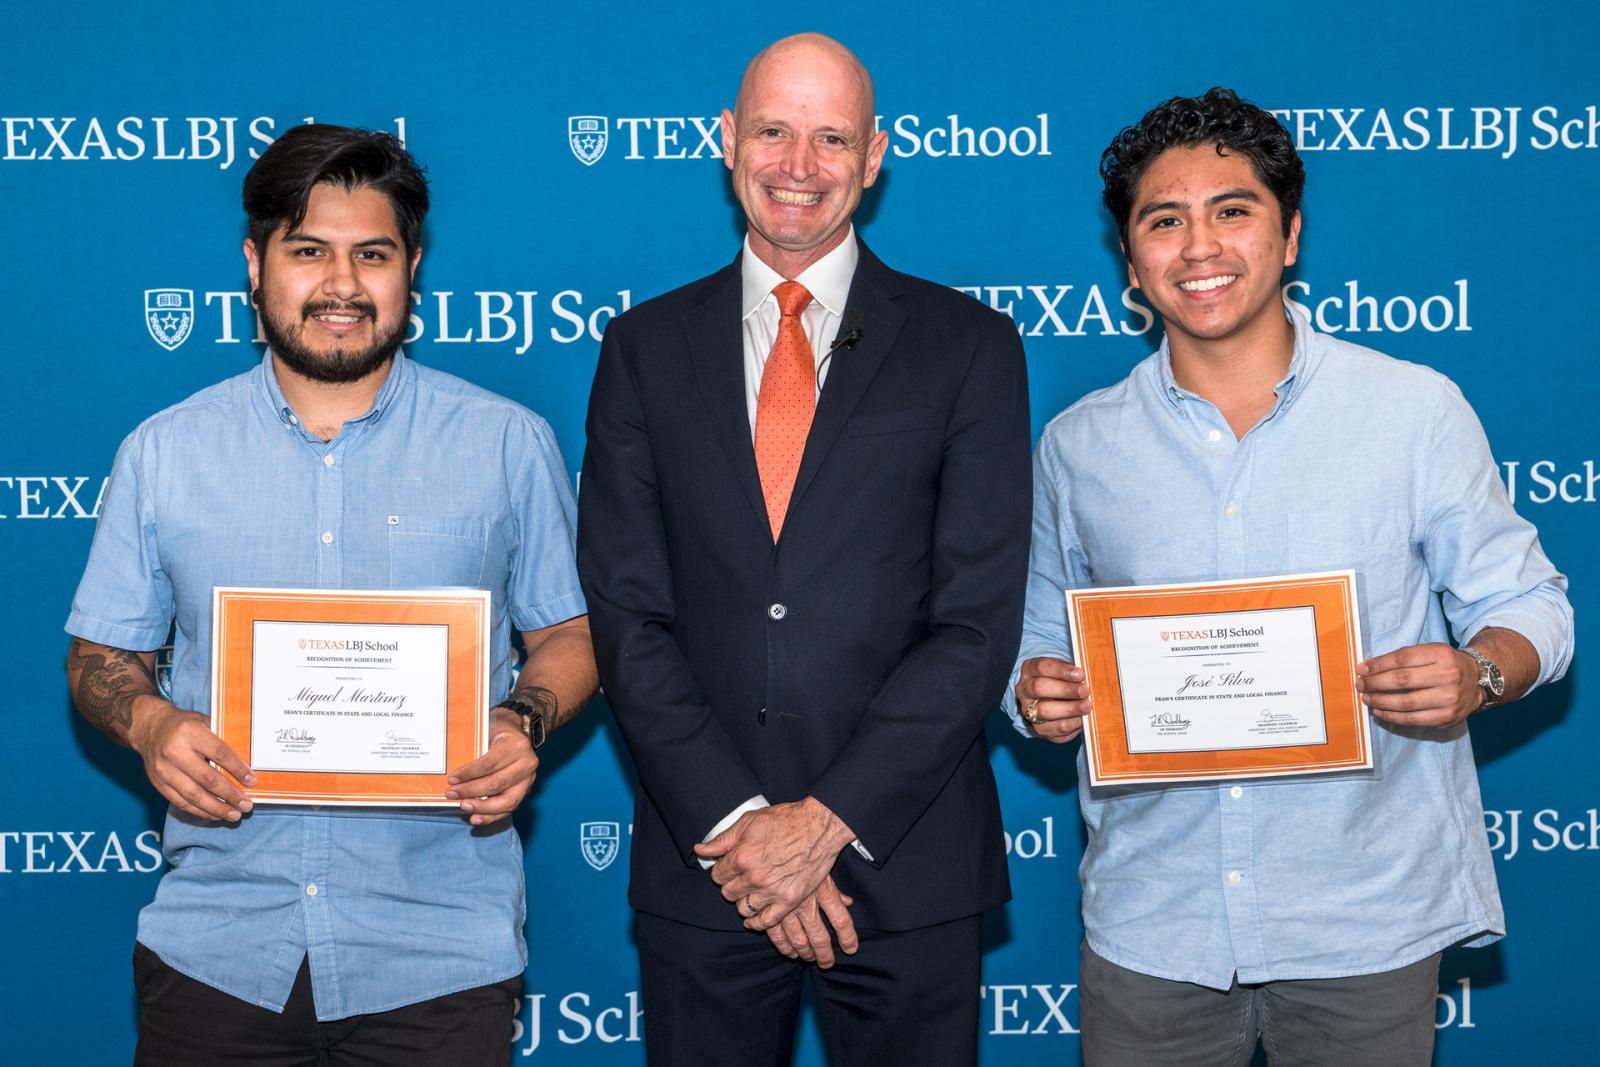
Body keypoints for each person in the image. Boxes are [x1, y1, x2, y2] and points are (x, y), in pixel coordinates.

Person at [1009, 87, 1574, 1065]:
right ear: (1131, 258)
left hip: (1363, 917)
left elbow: (1531, 604)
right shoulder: (1076, 446)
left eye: (1232, 210)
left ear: (1289, 233)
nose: (1199, 246)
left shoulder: (1412, 412)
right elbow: (1035, 645)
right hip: (1155, 924)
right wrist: (1037, 695)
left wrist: (1476, 672)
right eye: (1163, 219)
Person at [65, 123, 597, 1066]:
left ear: (412, 267)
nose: (342, 286)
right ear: (255, 263)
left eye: (372, 255)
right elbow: (102, 655)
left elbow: (572, 633)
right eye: (308, 251)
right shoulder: (165, 452)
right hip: (218, 947)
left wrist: (525, 717)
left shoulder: (507, 444)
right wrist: (149, 725)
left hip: (437, 953)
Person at [577, 32, 1031, 1066]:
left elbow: (973, 625)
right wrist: (747, 830)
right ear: (726, 140)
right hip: (709, 870)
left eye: (831, 138)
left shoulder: (969, 347)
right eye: (774, 131)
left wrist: (824, 821)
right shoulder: (642, 350)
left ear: (874, 157)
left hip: (907, 864)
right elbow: (626, 611)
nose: (798, 164)